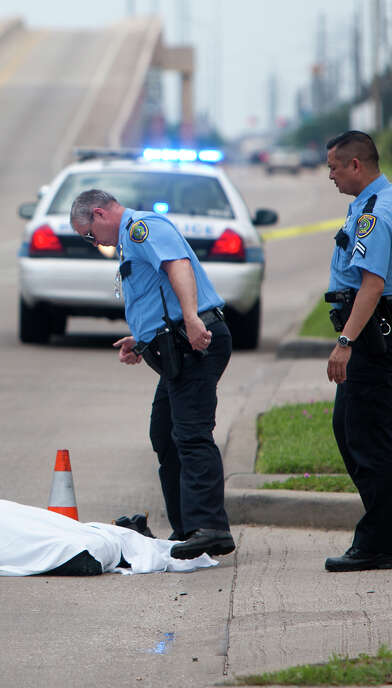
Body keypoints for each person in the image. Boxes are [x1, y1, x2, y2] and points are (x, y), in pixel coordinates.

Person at [70, 189, 234, 560]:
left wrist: (191, 318)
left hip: (194, 341)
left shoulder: (141, 228)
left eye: (90, 234)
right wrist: (141, 339)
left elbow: (178, 266)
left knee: (191, 433)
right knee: (164, 433)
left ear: (98, 213)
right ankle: (187, 528)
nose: (94, 242)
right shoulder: (130, 239)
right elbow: (156, 293)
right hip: (174, 345)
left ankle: (210, 528)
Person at [321, 130, 392, 572]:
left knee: (368, 438)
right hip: (377, 328)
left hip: (372, 332)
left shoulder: (377, 214)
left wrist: (345, 341)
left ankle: (378, 544)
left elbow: (372, 284)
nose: (331, 176)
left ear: (356, 165)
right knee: (351, 430)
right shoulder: (376, 204)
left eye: (334, 167)